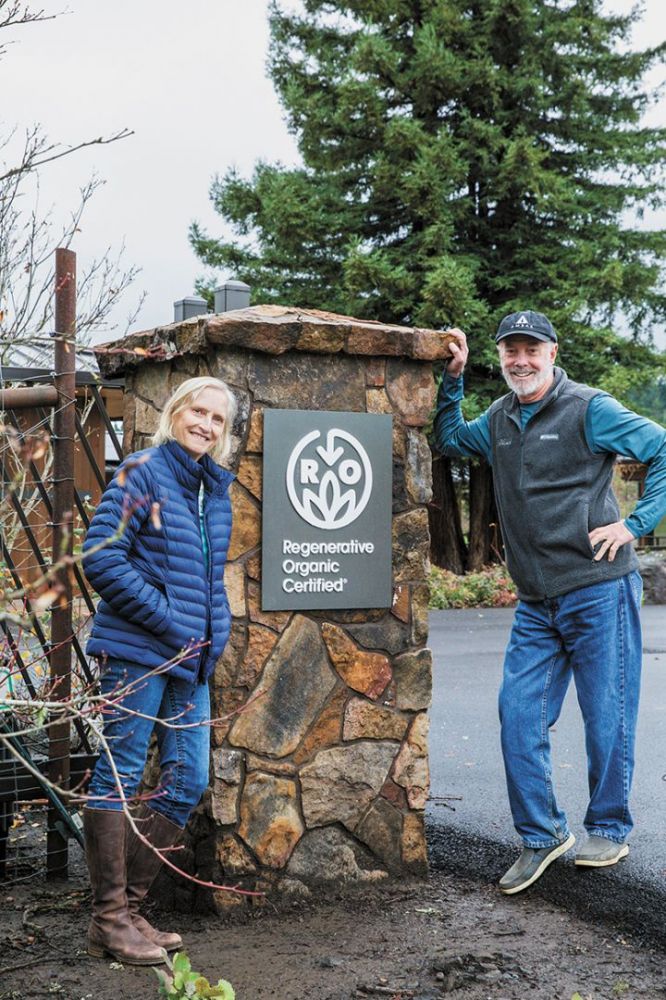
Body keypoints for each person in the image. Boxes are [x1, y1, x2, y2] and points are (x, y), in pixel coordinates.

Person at [434, 310, 666, 895]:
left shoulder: (590, 408)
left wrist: (635, 524)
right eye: (510, 350)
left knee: (606, 717)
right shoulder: (499, 418)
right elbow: (449, 438)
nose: (521, 359)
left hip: (598, 591)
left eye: (531, 349)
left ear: (552, 353)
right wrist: (454, 377)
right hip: (537, 602)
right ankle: (542, 835)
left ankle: (609, 826)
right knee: (518, 712)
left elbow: (663, 450)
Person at [82, 376, 237, 962]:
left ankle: (132, 910)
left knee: (187, 781)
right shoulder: (140, 472)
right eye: (197, 411)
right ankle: (108, 919)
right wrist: (169, 620)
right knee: (118, 776)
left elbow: (206, 577)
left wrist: (210, 629)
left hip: (189, 661)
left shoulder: (212, 488)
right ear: (175, 413)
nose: (206, 424)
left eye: (217, 419)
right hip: (138, 652)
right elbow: (101, 557)